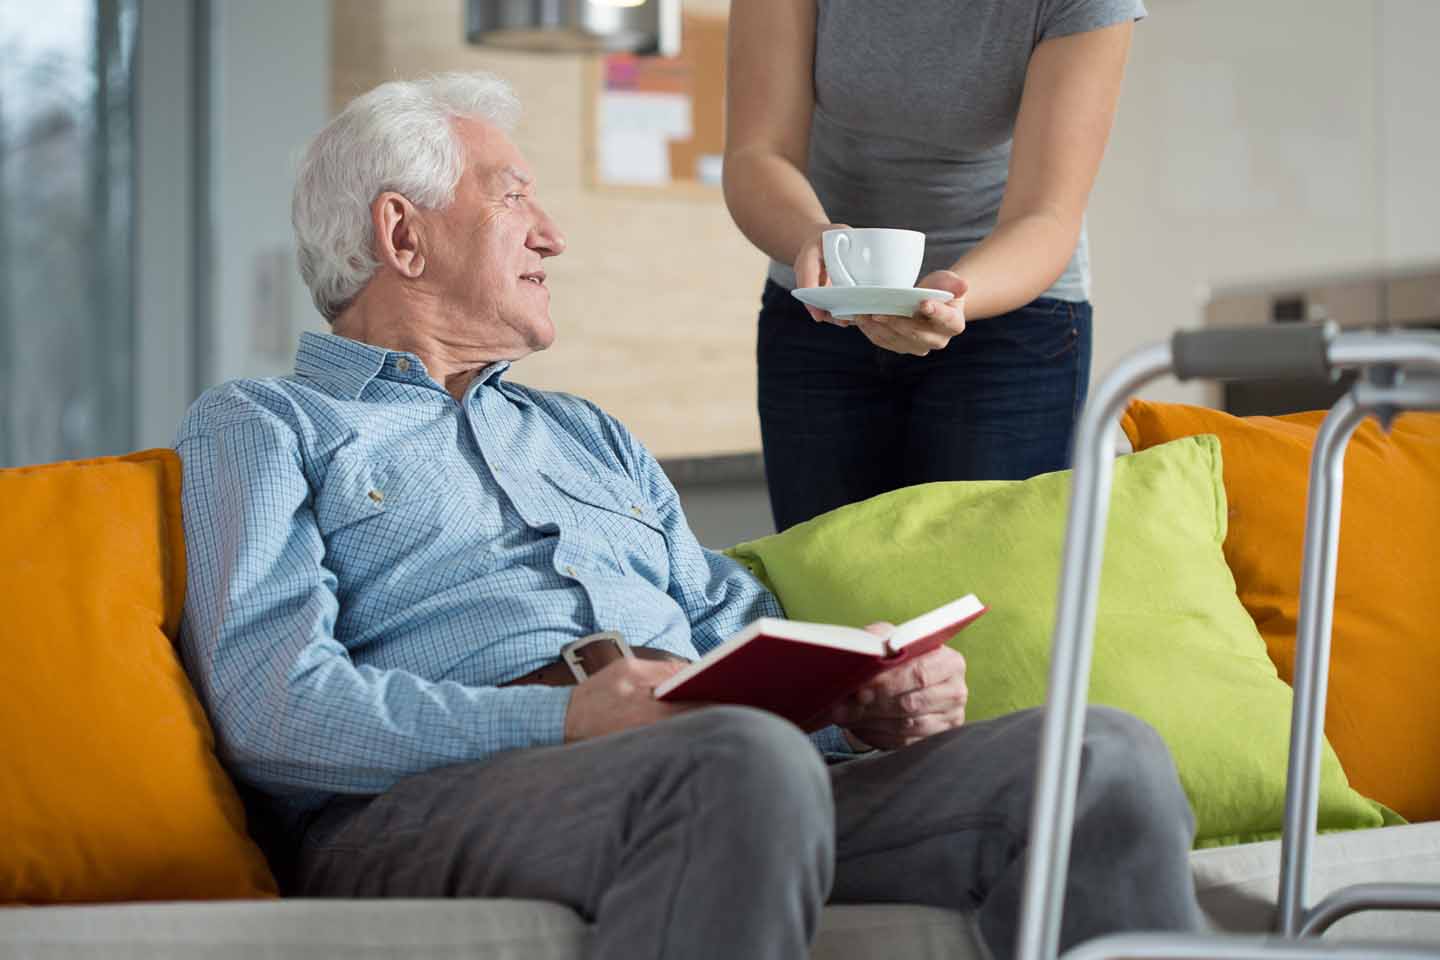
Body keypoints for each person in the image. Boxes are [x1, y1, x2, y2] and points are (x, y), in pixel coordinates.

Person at [175, 72, 1202, 960]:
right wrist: (570, 715)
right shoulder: (266, 426)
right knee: (739, 765)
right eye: (515, 197)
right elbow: (276, 710)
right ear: (402, 233)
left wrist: (854, 708)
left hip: (717, 770)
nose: (553, 235)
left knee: (1095, 757)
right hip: (438, 803)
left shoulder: (591, 435)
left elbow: (726, 627)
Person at [723, 0, 1146, 532]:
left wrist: (953, 297)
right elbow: (757, 154)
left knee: (982, 587)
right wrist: (817, 241)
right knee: (823, 587)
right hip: (822, 306)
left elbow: (1047, 214)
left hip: (1010, 316)